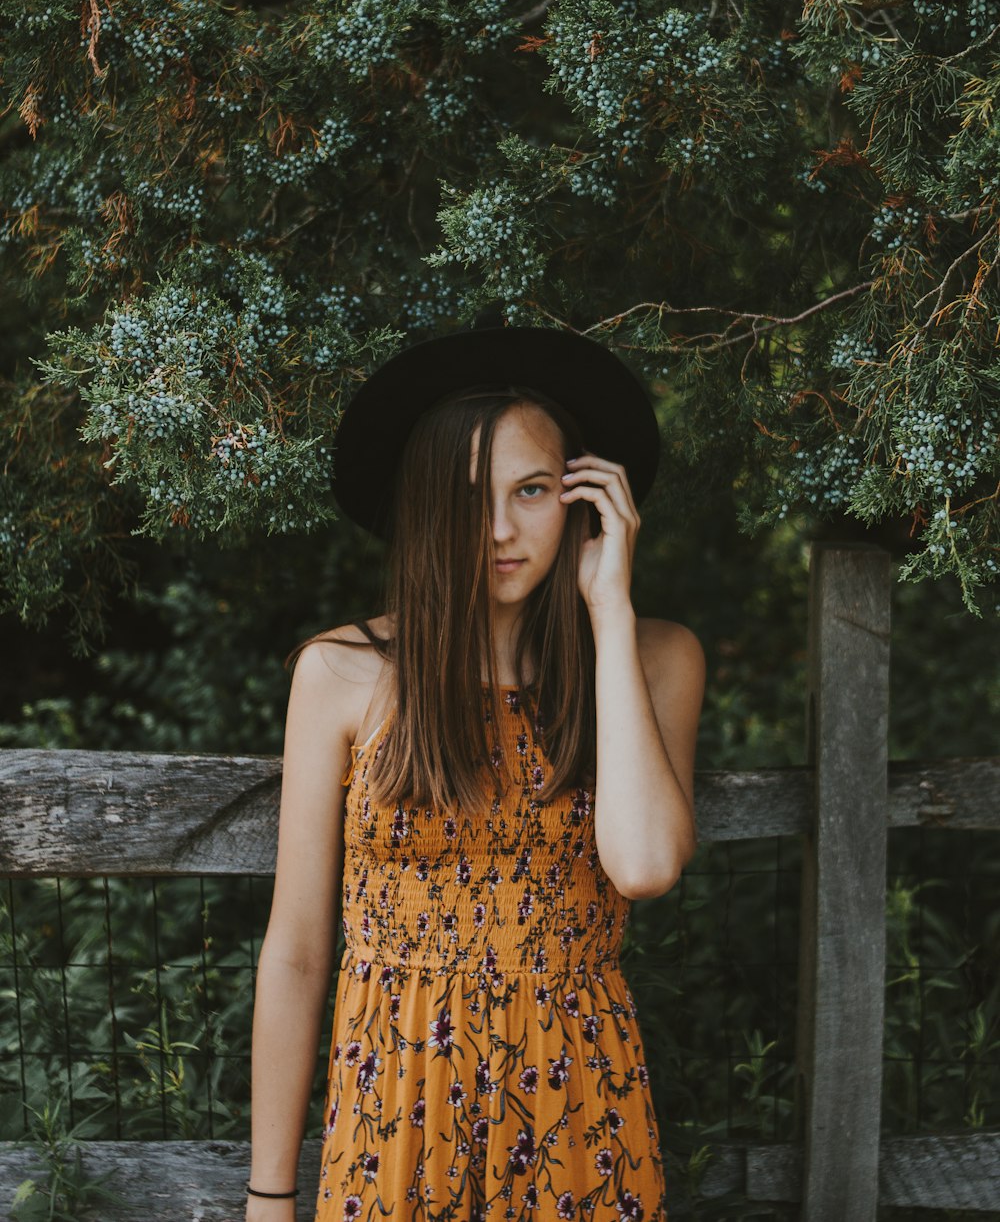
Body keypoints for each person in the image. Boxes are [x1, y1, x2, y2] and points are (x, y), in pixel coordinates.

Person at [245, 314, 705, 1222]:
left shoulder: (655, 659)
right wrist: (269, 1194)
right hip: (393, 1110)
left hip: (578, 1102)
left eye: (532, 489)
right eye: (467, 496)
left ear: (583, 498)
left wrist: (608, 610)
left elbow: (644, 866)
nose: (499, 528)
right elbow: (297, 954)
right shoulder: (342, 675)